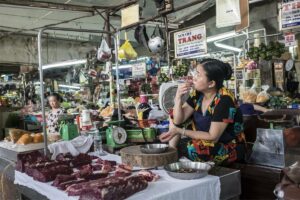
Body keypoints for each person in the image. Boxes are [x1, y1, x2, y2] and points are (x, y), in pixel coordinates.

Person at [159, 59, 246, 165]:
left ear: (211, 83)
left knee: (192, 149)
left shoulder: (224, 100)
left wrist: (179, 131)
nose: (194, 78)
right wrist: (177, 98)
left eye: (198, 75)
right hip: (204, 141)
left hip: (227, 146)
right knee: (174, 115)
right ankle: (171, 153)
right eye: (195, 73)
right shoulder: (198, 94)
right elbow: (178, 120)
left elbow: (213, 136)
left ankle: (173, 155)